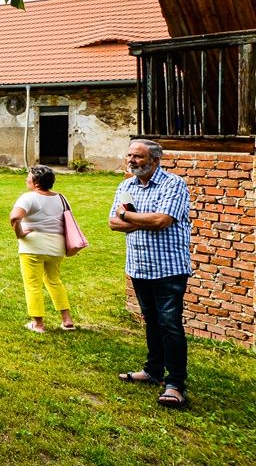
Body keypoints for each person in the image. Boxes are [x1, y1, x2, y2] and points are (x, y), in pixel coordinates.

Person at [109, 139, 192, 409]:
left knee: (170, 324)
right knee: (152, 321)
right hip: (139, 266)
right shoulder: (126, 186)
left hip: (168, 268)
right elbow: (113, 223)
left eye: (138, 157)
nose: (131, 160)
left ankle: (175, 384)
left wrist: (129, 217)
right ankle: (153, 370)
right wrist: (141, 220)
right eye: (129, 155)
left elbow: (162, 220)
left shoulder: (173, 184)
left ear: (155, 160)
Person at [9, 165, 75, 333]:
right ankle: (67, 319)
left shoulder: (28, 197)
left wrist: (20, 233)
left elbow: (15, 217)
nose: (26, 178)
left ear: (36, 182)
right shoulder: (61, 198)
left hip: (33, 247)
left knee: (33, 284)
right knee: (54, 281)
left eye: (29, 176)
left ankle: (38, 324)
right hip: (56, 247)